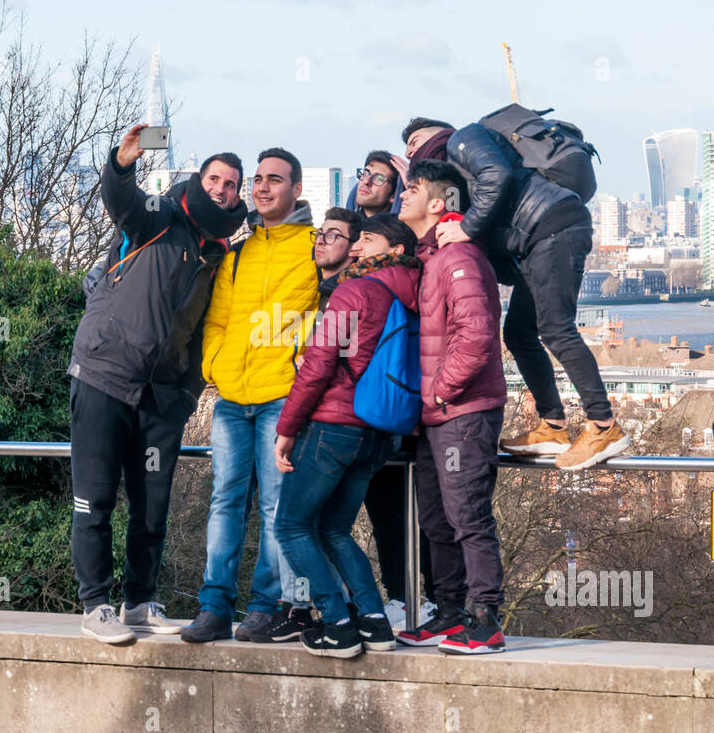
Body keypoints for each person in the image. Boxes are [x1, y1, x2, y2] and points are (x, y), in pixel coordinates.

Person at [68, 124, 246, 644]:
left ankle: (139, 602)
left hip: (162, 397)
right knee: (94, 500)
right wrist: (121, 164)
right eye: (215, 178)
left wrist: (186, 393)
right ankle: (95, 605)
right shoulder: (161, 219)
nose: (222, 189)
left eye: (232, 184)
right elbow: (123, 200)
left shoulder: (220, 254)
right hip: (105, 376)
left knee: (152, 508)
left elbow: (200, 332)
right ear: (199, 179)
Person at [407, 115, 630, 470]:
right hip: (538, 237)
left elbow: (499, 174)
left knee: (556, 328)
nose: (410, 148)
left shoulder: (464, 138)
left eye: (415, 139)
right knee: (519, 332)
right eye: (406, 145)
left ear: (439, 132)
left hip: (552, 225)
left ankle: (604, 426)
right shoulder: (454, 179)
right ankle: (552, 425)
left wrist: (466, 228)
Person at [181, 147, 322, 644]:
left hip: (282, 396)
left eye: (275, 179)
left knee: (276, 508)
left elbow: (331, 313)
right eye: (258, 180)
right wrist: (214, 366)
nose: (263, 187)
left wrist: (299, 368)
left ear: (297, 189)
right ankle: (214, 607)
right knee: (224, 503)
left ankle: (265, 608)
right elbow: (216, 319)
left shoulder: (313, 246)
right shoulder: (238, 250)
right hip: (231, 398)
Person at [273, 212, 421, 657]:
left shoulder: (353, 290)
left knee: (292, 525)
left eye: (366, 240)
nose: (355, 247)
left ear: (394, 250)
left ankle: (337, 623)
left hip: (334, 426)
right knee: (335, 529)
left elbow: (319, 362)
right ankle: (375, 623)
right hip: (382, 431)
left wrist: (287, 428)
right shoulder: (418, 295)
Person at [395, 160, 508, 655]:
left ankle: (486, 621)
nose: (403, 196)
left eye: (412, 189)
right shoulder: (434, 255)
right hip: (436, 415)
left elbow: (477, 334)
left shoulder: (458, 257)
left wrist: (440, 392)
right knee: (437, 519)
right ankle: (449, 613)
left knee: (468, 516)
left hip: (462, 411)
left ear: (439, 203)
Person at [344, 150, 401, 217]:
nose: (366, 181)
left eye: (379, 178)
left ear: (394, 195)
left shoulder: (402, 226)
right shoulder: (347, 224)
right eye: (365, 173)